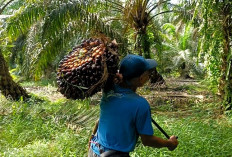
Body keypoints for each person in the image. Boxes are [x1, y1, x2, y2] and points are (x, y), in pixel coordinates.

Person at [88, 54, 178, 157]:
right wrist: (169, 143)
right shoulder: (140, 104)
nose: (149, 76)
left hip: (94, 150)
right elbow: (147, 140)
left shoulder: (108, 89)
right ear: (141, 79)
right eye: (147, 73)